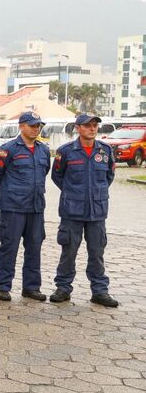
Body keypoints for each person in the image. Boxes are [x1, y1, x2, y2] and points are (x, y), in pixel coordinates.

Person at [50, 114, 119, 307]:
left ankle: (99, 291)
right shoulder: (66, 152)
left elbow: (109, 176)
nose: (92, 129)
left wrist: (96, 193)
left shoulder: (105, 150)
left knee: (97, 252)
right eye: (88, 125)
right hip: (72, 210)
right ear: (78, 128)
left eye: (95, 125)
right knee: (69, 251)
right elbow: (57, 176)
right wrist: (74, 193)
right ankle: (63, 288)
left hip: (97, 212)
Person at [0, 111, 50, 302]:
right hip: (13, 207)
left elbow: (45, 171)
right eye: (32, 125)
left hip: (36, 207)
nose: (36, 128)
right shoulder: (8, 149)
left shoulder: (43, 150)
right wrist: (13, 189)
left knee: (34, 248)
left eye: (38, 125)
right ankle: (2, 287)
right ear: (21, 126)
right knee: (9, 247)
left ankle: (31, 287)